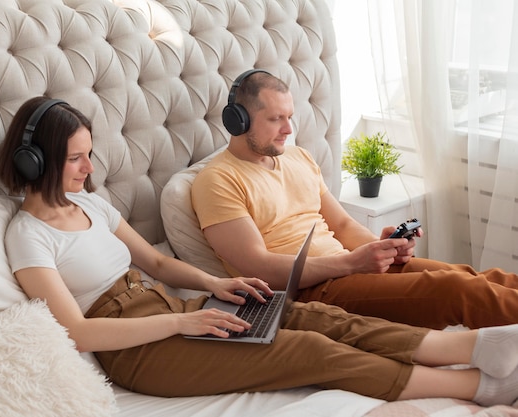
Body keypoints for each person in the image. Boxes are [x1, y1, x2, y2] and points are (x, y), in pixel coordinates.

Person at [0, 95, 518, 406]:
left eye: (90, 155)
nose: (89, 169)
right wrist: (182, 324)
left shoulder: (94, 205)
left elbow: (153, 262)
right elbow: (80, 332)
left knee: (310, 318)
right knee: (308, 352)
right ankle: (476, 386)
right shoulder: (29, 235)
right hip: (133, 350)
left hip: (171, 308)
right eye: (75, 160)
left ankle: (476, 349)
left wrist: (213, 287)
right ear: (34, 161)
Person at [191, 69, 518, 331]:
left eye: (290, 117)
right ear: (239, 120)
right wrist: (351, 263)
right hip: (310, 293)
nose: (289, 129)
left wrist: (381, 247)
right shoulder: (218, 180)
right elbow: (258, 267)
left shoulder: (299, 158)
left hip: (349, 269)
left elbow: (344, 225)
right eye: (276, 119)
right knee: (455, 291)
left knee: (472, 277)